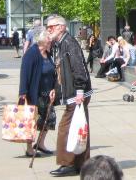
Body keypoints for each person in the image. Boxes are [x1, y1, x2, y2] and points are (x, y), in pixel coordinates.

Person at [47, 15, 93, 177]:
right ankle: (82, 163)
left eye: (51, 27)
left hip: (77, 93)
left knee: (65, 129)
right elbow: (61, 71)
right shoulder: (60, 44)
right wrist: (56, 89)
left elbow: (78, 67)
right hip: (74, 93)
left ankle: (68, 163)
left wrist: (80, 90)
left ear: (61, 27)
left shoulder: (68, 43)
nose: (49, 30)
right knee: (80, 128)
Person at [19, 27, 56, 157]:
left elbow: (52, 72)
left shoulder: (48, 53)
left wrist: (54, 88)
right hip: (35, 94)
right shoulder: (31, 53)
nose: (50, 42)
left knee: (48, 120)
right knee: (33, 121)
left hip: (48, 93)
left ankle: (40, 143)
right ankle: (29, 148)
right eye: (49, 40)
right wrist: (23, 92)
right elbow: (24, 74)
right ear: (42, 41)